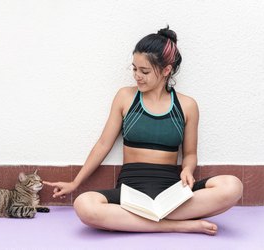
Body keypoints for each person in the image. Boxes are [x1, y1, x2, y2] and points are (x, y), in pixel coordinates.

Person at [43, 26, 243, 235]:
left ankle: (140, 221)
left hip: (171, 192)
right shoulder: (125, 97)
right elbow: (103, 145)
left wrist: (187, 170)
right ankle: (179, 225)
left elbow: (190, 154)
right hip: (131, 190)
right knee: (84, 205)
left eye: (144, 71)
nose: (137, 76)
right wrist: (75, 183)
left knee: (233, 186)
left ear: (166, 70)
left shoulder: (187, 106)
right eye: (134, 69)